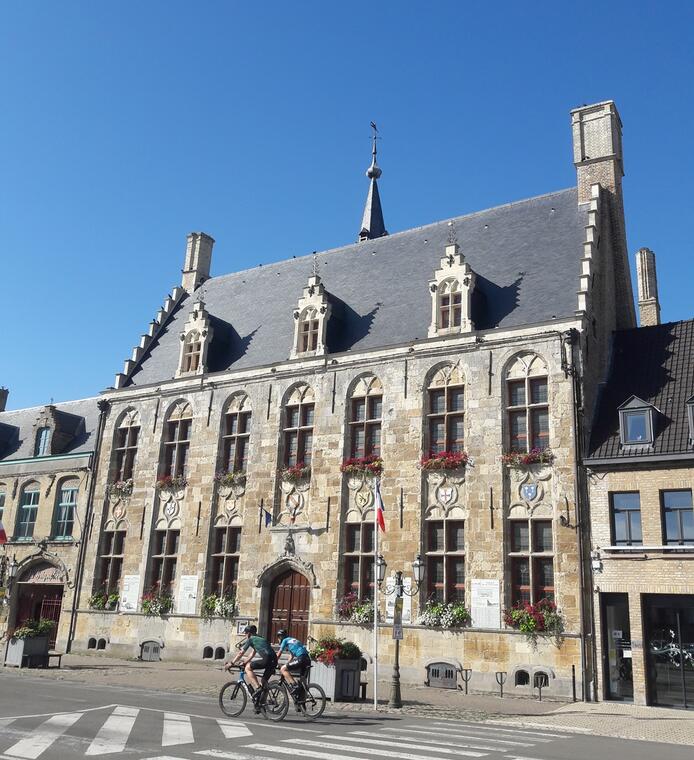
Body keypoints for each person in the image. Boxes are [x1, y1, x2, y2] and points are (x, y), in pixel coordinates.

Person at [224, 625, 277, 708]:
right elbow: (252, 654)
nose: (245, 635)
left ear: (248, 634)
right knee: (264, 681)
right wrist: (245, 661)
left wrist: (231, 663)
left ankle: (257, 687)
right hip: (274, 660)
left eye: (245, 633)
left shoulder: (251, 639)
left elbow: (241, 653)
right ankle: (261, 704)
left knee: (248, 668)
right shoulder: (259, 638)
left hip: (267, 659)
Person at [276, 628, 311, 694]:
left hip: (301, 658)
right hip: (307, 659)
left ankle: (295, 685)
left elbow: (279, 653)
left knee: (283, 669)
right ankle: (304, 698)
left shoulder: (285, 640)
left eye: (278, 637)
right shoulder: (293, 640)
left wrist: (274, 662)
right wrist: (287, 664)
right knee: (302, 681)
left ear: (280, 637)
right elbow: (291, 656)